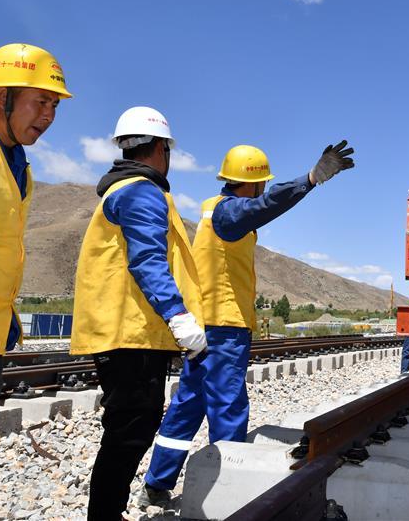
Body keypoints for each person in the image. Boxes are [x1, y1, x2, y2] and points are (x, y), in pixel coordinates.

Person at [142, 142, 354, 503]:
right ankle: (229, 492)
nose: (264, 187)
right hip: (224, 327)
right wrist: (309, 179)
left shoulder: (213, 209)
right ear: (252, 183)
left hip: (204, 322)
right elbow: (266, 205)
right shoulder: (230, 214)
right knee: (228, 405)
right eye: (262, 182)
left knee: (189, 403)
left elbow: (259, 205)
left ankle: (156, 484)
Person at [70, 106, 208, 520]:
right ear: (162, 148)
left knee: (129, 428)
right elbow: (148, 259)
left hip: (127, 330)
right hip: (131, 333)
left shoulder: (123, 190)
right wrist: (178, 315)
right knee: (129, 432)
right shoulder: (141, 191)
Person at [0, 43, 71, 520]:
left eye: (54, 105)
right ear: (3, 97)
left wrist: (6, 319)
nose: (49, 115)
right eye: (41, 102)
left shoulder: (19, 166)